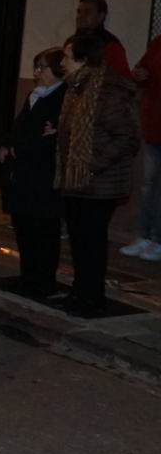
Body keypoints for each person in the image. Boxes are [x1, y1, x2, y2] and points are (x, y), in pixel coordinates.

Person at [55, 33, 140, 317]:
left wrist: (91, 163)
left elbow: (127, 138)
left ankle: (92, 298)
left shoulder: (107, 91)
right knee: (80, 241)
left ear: (83, 59)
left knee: (91, 242)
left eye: (67, 56)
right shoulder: (76, 87)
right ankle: (80, 292)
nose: (62, 62)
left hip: (100, 182)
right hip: (77, 180)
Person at [0, 48, 68, 297]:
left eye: (42, 68)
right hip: (22, 173)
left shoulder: (62, 97)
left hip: (42, 174)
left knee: (43, 232)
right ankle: (27, 277)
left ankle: (42, 281)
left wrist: (21, 148)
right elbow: (21, 125)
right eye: (36, 67)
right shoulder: (35, 96)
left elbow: (50, 138)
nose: (37, 73)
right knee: (24, 228)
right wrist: (7, 144)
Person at [120, 31, 161, 260]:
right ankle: (144, 235)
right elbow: (141, 72)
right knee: (149, 184)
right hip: (155, 124)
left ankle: (158, 239)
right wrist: (140, 75)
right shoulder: (159, 42)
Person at [74, 0, 131, 79]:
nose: (80, 16)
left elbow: (121, 78)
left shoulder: (110, 43)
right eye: (79, 12)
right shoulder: (72, 41)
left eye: (87, 12)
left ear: (100, 16)